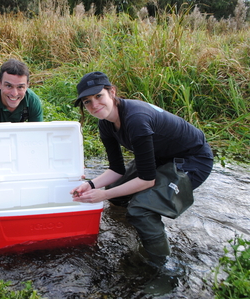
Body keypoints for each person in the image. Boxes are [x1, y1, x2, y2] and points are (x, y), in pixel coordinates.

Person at [70, 71, 214, 266]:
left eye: (98, 96)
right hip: (161, 155)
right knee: (116, 193)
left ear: (112, 92)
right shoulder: (105, 124)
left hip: (192, 159)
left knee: (140, 209)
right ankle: (137, 230)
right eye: (87, 101)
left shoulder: (136, 119)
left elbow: (147, 180)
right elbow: (117, 170)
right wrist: (91, 184)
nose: (94, 105)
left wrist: (101, 195)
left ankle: (161, 266)